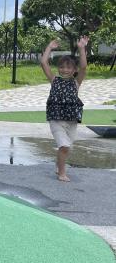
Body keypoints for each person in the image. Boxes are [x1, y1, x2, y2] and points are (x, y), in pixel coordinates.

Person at [40, 36, 88, 182]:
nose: (64, 70)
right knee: (64, 146)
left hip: (71, 120)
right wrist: (49, 47)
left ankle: (58, 165)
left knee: (66, 148)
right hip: (56, 120)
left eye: (68, 67)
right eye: (62, 67)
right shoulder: (54, 80)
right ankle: (62, 173)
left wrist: (81, 48)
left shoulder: (76, 82)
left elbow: (84, 67)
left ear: (74, 70)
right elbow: (43, 63)